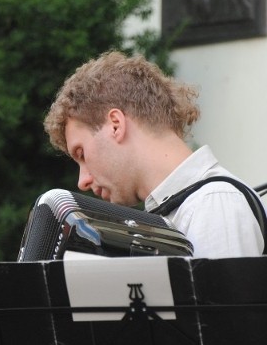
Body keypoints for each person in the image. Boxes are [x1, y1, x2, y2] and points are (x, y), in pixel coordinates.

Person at [43, 50, 264, 258]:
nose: (83, 181)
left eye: (81, 154)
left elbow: (227, 301)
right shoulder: (192, 209)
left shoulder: (212, 205)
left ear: (115, 125)